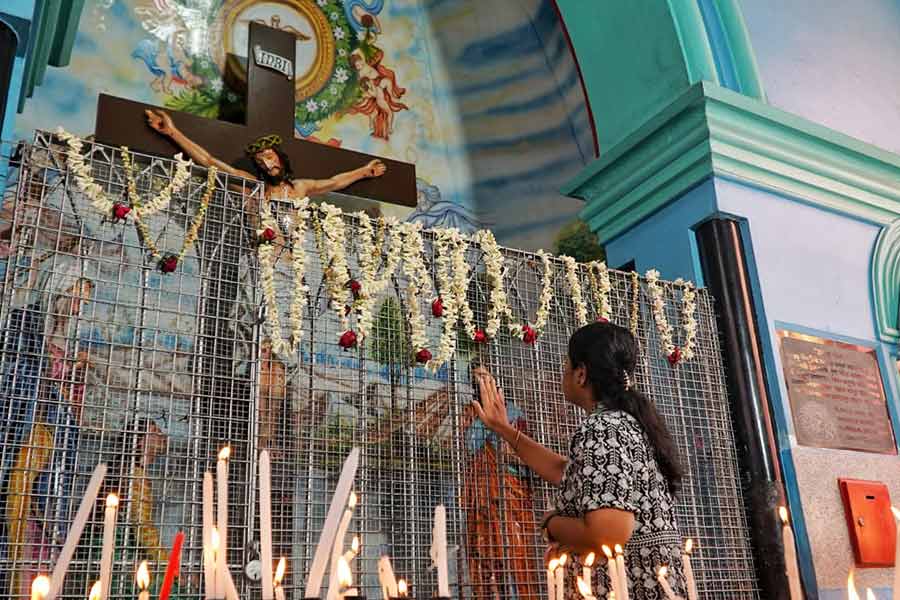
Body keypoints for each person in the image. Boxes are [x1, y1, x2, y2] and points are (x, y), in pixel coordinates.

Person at [472, 322, 687, 599]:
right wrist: (503, 428)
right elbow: (569, 473)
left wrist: (552, 524)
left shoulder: (602, 429)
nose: (562, 373)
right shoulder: (625, 422)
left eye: (565, 366)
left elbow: (608, 535)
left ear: (581, 374)